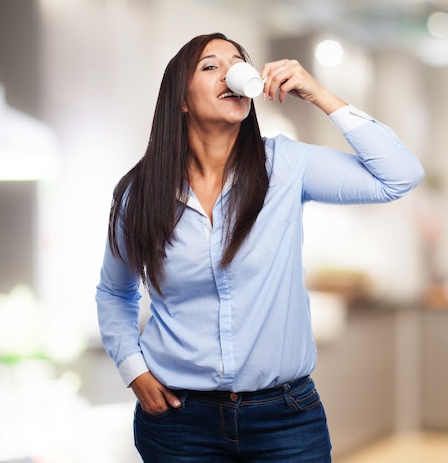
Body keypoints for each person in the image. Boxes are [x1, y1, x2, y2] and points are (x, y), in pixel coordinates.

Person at [95, 32, 424, 463]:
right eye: (211, 66)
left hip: (285, 420)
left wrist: (318, 93)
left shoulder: (285, 166)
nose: (231, 71)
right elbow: (114, 292)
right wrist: (133, 369)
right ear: (182, 101)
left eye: (237, 62)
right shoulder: (140, 194)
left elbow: (398, 175)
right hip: (179, 424)